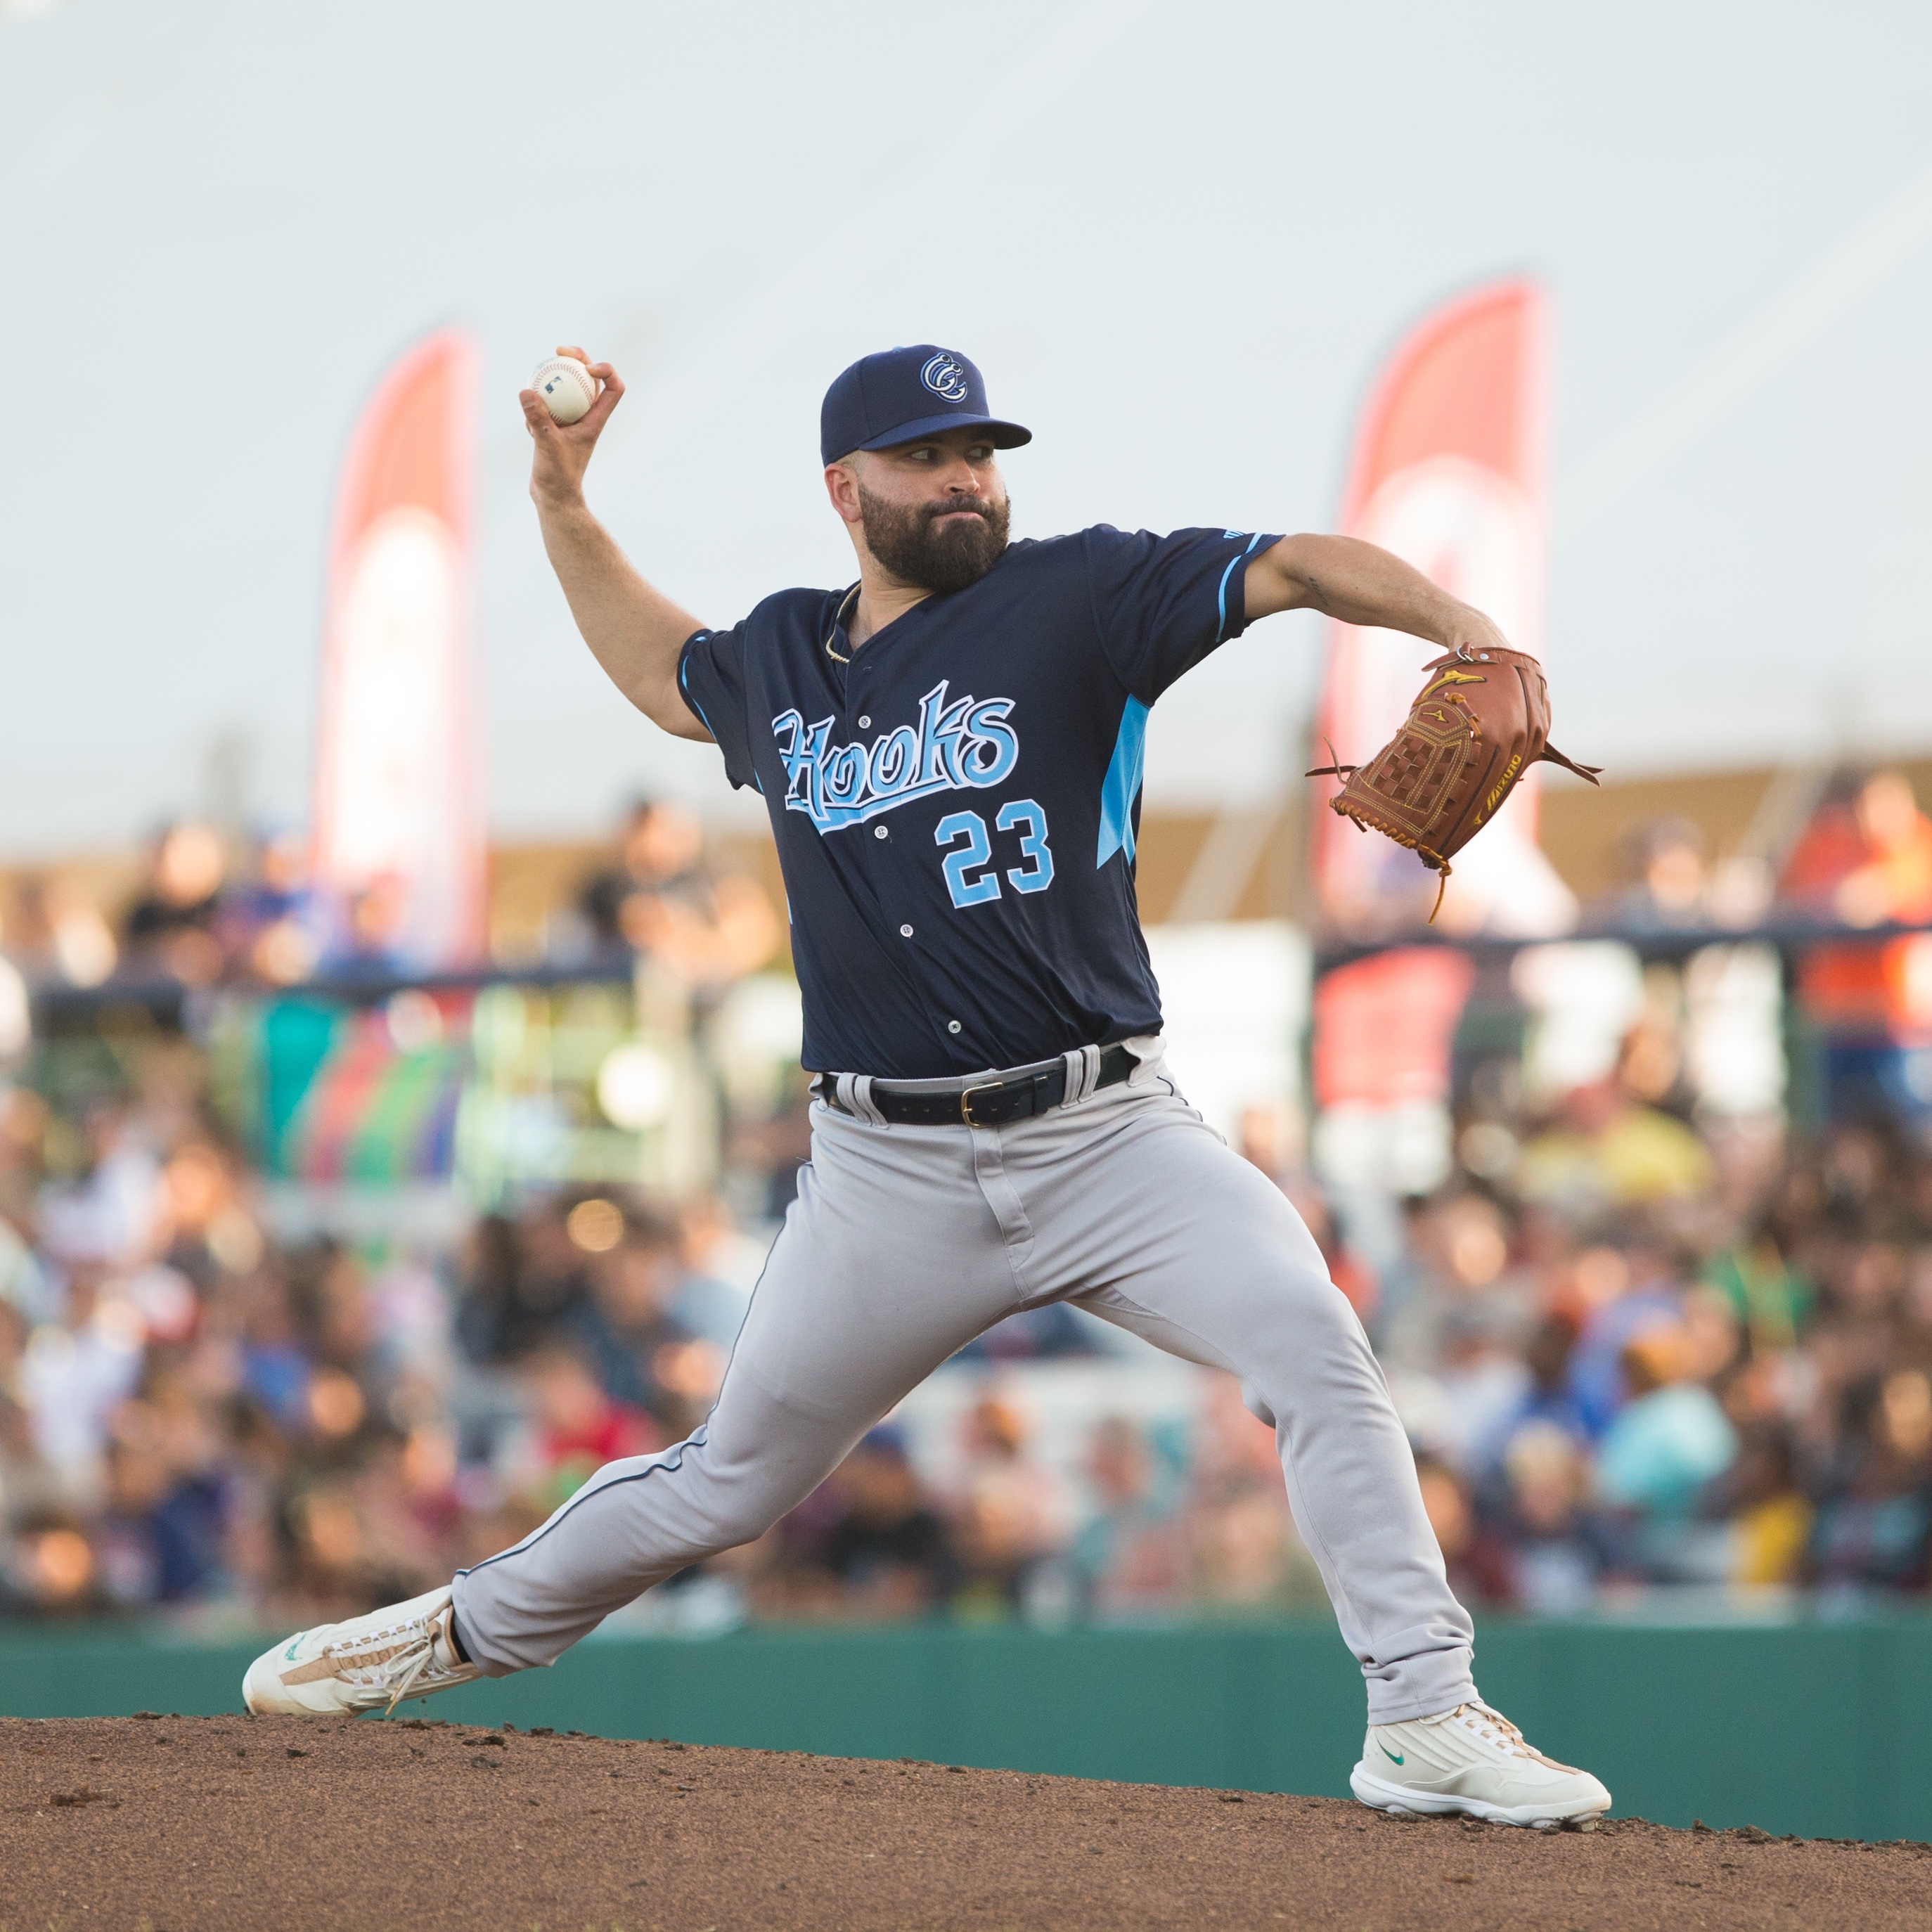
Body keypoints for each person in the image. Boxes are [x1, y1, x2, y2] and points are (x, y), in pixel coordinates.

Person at [245, 342, 1609, 1829]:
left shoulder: (1082, 598)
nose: (968, 479)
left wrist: (1467, 624)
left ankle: (1422, 1711)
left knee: (1316, 1345)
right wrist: (562, 501)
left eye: (982, 452)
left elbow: (1293, 565)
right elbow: (657, 670)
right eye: (929, 456)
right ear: (847, 490)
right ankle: (438, 1634)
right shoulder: (780, 660)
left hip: (1106, 1135)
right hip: (884, 1173)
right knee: (730, 1482)